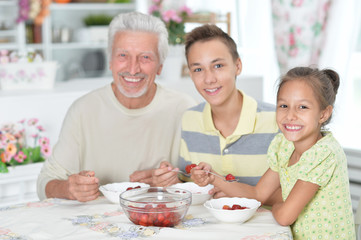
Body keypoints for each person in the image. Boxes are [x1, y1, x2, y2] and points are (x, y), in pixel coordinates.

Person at [37, 12, 196, 202]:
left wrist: (174, 184)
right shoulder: (83, 110)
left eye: (145, 57)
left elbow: (207, 183)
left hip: (159, 221)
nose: (133, 68)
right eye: (123, 55)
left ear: (160, 66)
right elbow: (45, 182)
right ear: (110, 61)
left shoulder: (186, 110)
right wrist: (68, 189)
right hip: (94, 225)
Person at [191, 67, 356, 239]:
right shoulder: (284, 146)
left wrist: (278, 204)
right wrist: (213, 177)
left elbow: (284, 216)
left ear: (323, 114)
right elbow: (258, 194)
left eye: (303, 107)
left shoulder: (324, 153)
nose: (290, 115)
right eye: (284, 106)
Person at [152, 24, 280, 201]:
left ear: (238, 66)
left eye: (218, 65)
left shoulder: (277, 121)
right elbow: (190, 185)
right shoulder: (190, 119)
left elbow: (298, 192)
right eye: (198, 69)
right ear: (190, 74)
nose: (209, 79)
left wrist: (236, 191)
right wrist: (172, 182)